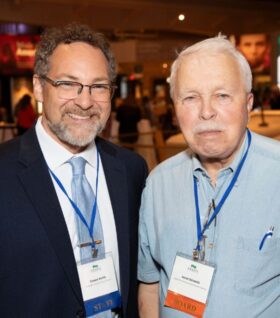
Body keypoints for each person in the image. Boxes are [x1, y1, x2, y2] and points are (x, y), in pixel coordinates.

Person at [0, 23, 147, 318]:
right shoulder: (4, 173)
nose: (85, 101)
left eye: (98, 86)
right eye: (68, 83)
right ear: (39, 87)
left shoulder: (132, 170)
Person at [138, 35, 280, 317]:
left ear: (248, 103)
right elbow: (150, 285)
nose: (206, 111)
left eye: (222, 95)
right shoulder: (158, 184)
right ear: (175, 108)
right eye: (190, 98)